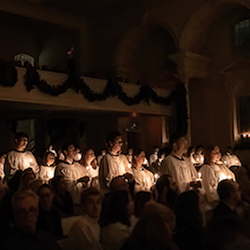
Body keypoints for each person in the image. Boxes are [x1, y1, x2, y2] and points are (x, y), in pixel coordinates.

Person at [199, 145, 236, 211]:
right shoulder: (206, 169)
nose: (218, 154)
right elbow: (210, 188)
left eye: (219, 152)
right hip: (216, 204)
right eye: (215, 152)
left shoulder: (220, 166)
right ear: (208, 154)